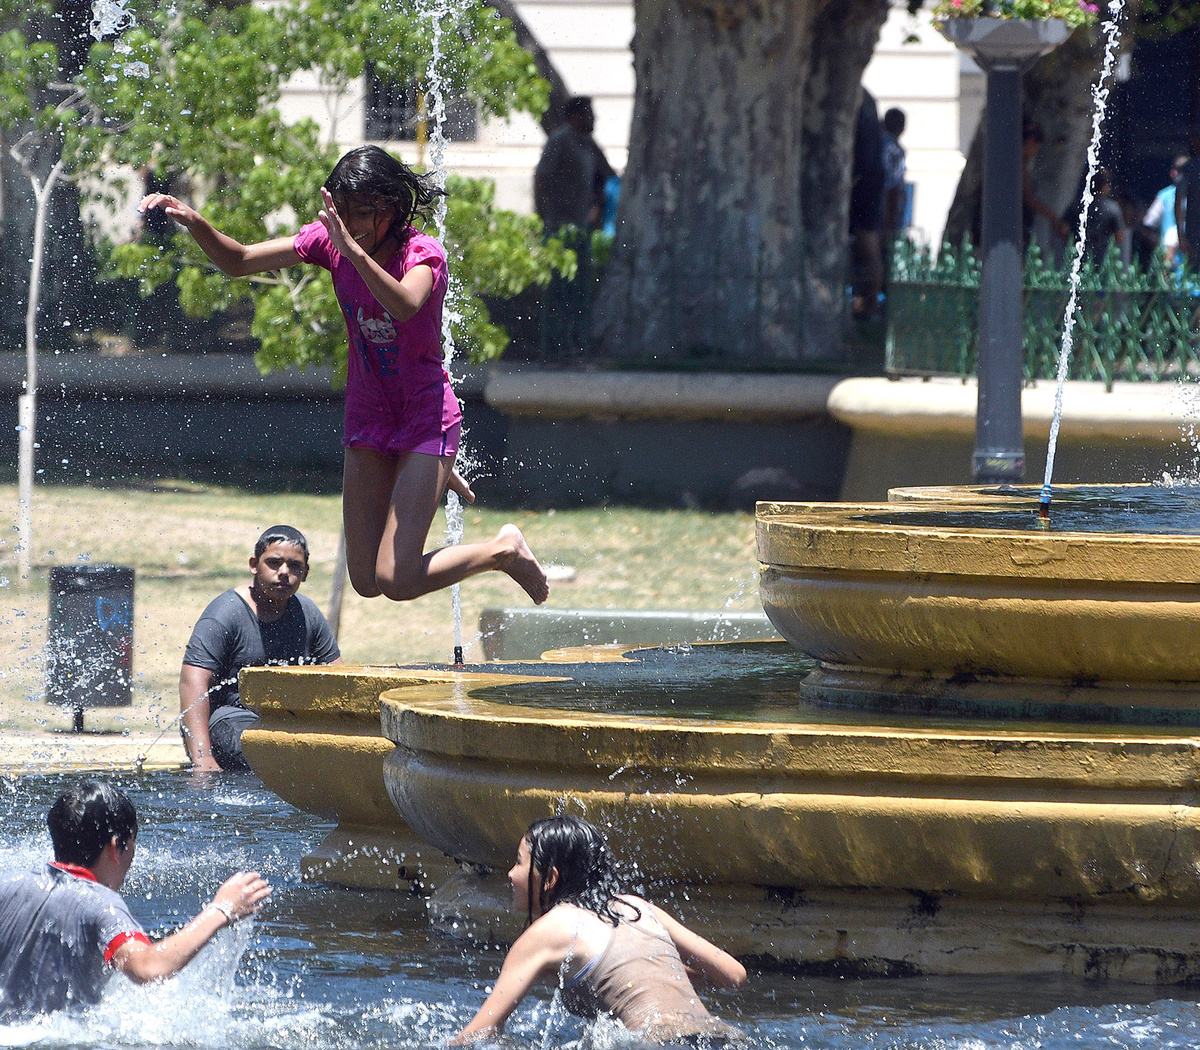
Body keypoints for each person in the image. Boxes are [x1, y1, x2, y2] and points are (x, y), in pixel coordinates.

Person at [139, 147, 549, 611]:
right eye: (345, 211)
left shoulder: (422, 254)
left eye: (365, 213)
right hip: (370, 415)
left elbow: (404, 305)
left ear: (393, 209)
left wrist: (350, 251)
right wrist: (196, 222)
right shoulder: (332, 241)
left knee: (395, 578)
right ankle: (422, 469)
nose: (353, 224)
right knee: (365, 579)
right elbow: (240, 260)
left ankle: (503, 550)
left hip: (424, 416)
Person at [452, 816, 747, 1045]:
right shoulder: (637, 907)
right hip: (724, 1039)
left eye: (519, 862)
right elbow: (732, 975)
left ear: (550, 878)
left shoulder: (550, 930)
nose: (511, 873)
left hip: (656, 1044)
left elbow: (478, 1035)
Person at [0, 779, 270, 1019]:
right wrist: (220, 910)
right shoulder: (101, 905)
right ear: (118, 846)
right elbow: (148, 967)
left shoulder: (9, 882)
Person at [180, 525, 342, 772]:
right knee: (271, 751)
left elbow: (337, 677)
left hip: (284, 725)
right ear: (254, 565)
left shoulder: (307, 614)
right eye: (274, 563)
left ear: (306, 572)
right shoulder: (225, 613)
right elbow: (192, 683)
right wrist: (203, 760)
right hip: (227, 721)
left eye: (294, 566)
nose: (284, 572)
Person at [533, 96, 615, 358]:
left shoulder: (589, 145)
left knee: (579, 291)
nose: (593, 119)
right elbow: (542, 177)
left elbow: (607, 175)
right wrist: (544, 215)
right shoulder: (560, 141)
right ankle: (552, 350)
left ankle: (575, 348)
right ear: (574, 116)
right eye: (588, 114)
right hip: (558, 227)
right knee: (557, 290)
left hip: (581, 228)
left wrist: (598, 208)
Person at [849, 88, 886, 320]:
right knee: (867, 245)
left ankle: (870, 302)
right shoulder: (867, 97)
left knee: (867, 244)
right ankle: (867, 301)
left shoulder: (860, 97)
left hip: (864, 179)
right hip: (868, 177)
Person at [1022, 122, 1070, 248]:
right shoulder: (1019, 165)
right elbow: (1029, 198)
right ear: (1031, 141)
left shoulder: (1023, 164)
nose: (1036, 150)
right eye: (1036, 146)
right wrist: (1053, 216)